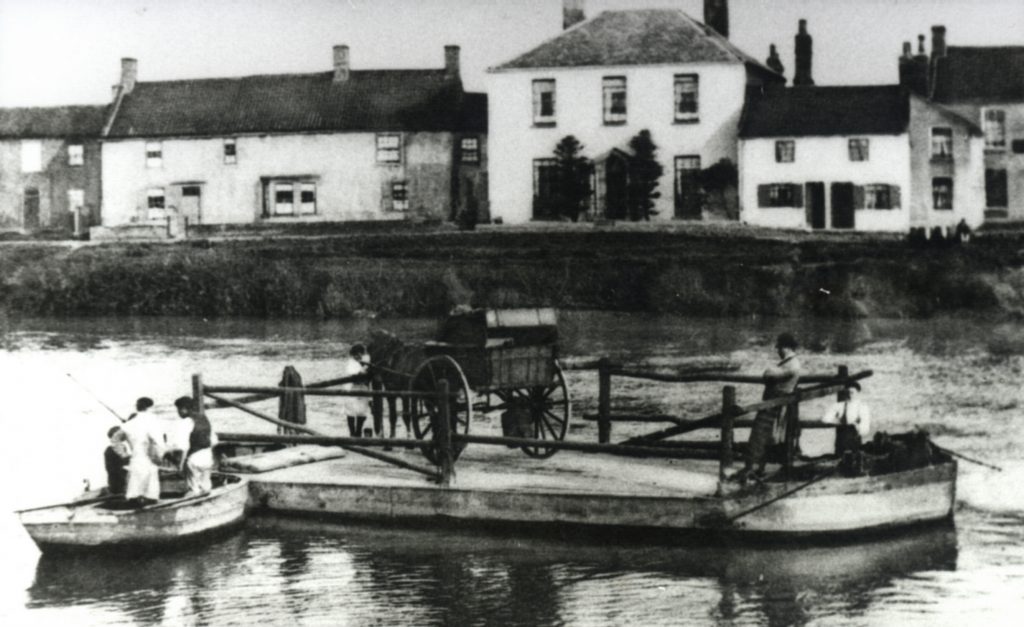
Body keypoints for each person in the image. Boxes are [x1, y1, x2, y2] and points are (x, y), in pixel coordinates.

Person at [735, 332, 802, 482]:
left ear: (785, 347)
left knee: (759, 437)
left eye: (779, 348)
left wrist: (769, 371)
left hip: (775, 405)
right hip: (772, 404)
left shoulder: (792, 364)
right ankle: (756, 469)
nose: (778, 351)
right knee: (762, 438)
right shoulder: (788, 363)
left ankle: (753, 470)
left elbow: (769, 375)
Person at [120, 403, 168, 506]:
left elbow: (115, 440)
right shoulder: (151, 424)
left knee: (135, 487)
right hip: (148, 458)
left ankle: (137, 501)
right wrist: (159, 456)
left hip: (136, 459)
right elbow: (157, 442)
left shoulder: (128, 426)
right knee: (150, 489)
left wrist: (123, 454)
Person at [821, 382, 871, 472]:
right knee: (840, 464)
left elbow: (865, 428)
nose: (850, 395)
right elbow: (825, 419)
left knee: (853, 463)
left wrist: (858, 427)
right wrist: (836, 421)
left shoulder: (862, 407)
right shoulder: (839, 406)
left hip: (854, 441)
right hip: (841, 442)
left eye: (852, 392)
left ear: (857, 393)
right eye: (848, 392)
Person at [174, 396, 218, 496]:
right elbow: (214, 441)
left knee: (193, 490)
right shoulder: (203, 418)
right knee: (206, 488)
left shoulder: (186, 422)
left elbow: (183, 446)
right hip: (207, 456)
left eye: (179, 409)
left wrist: (180, 465)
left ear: (184, 409)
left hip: (194, 458)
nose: (178, 412)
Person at [342, 344, 372, 437]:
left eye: (361, 354)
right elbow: (354, 374)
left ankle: (358, 431)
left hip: (363, 388)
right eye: (357, 354)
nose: (359, 356)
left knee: (362, 411)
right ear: (354, 354)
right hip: (351, 388)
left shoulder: (362, 362)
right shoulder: (351, 363)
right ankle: (352, 433)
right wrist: (364, 370)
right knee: (351, 411)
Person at [103, 426, 130, 495]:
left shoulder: (123, 447)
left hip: (123, 481)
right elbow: (111, 469)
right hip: (117, 484)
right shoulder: (109, 450)